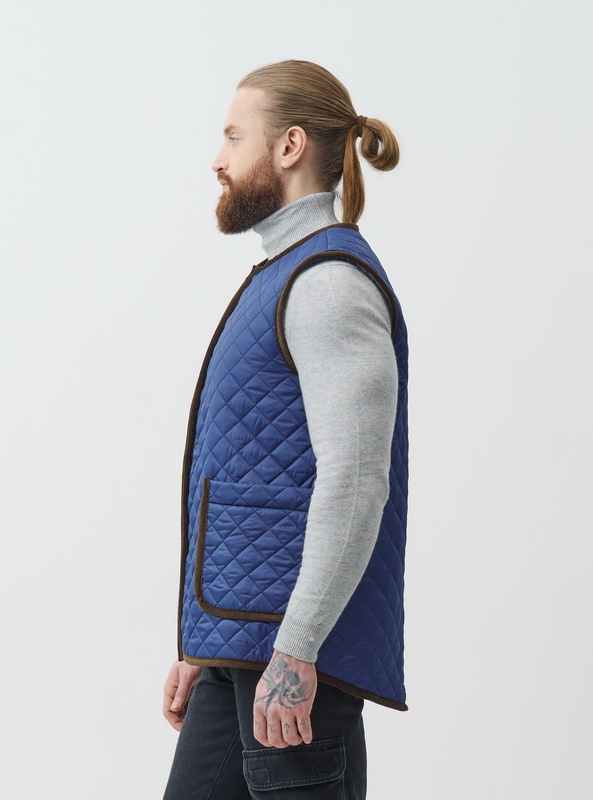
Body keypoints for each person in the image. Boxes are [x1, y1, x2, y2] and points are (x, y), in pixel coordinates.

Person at [162, 59, 409, 800]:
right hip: (243, 647)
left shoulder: (328, 283)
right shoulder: (284, 273)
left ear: (290, 146)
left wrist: (297, 650)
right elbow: (249, 474)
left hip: (293, 660)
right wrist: (205, 646)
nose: (218, 159)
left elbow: (355, 481)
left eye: (234, 137)